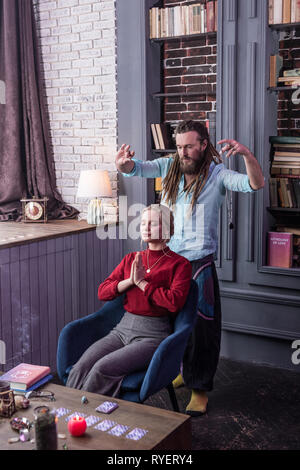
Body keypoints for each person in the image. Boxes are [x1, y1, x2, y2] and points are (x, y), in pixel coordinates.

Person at [115, 120, 264, 415]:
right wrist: (123, 164)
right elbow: (138, 168)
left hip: (198, 264)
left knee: (201, 328)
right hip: (168, 260)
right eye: (179, 146)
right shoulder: (171, 165)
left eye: (188, 147)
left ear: (203, 145)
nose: (182, 152)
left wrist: (247, 156)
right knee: (170, 323)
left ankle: (200, 388)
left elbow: (254, 184)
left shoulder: (218, 174)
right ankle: (182, 369)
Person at [66, 204, 192, 397]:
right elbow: (103, 292)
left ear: (167, 228)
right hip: (122, 329)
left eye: (153, 223)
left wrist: (142, 283)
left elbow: (174, 302)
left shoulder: (180, 264)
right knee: (81, 367)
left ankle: (87, 418)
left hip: (153, 335)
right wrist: (130, 281)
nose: (146, 227)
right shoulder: (131, 259)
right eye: (143, 223)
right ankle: (68, 414)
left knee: (102, 368)